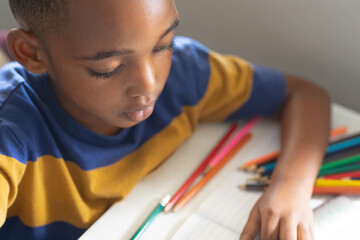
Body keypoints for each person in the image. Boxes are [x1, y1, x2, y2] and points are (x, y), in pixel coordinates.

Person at [0, 0, 330, 239]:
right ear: (32, 54)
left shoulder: (187, 74)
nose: (149, 85)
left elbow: (304, 95)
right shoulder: (11, 134)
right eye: (109, 68)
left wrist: (290, 187)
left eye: (162, 45)